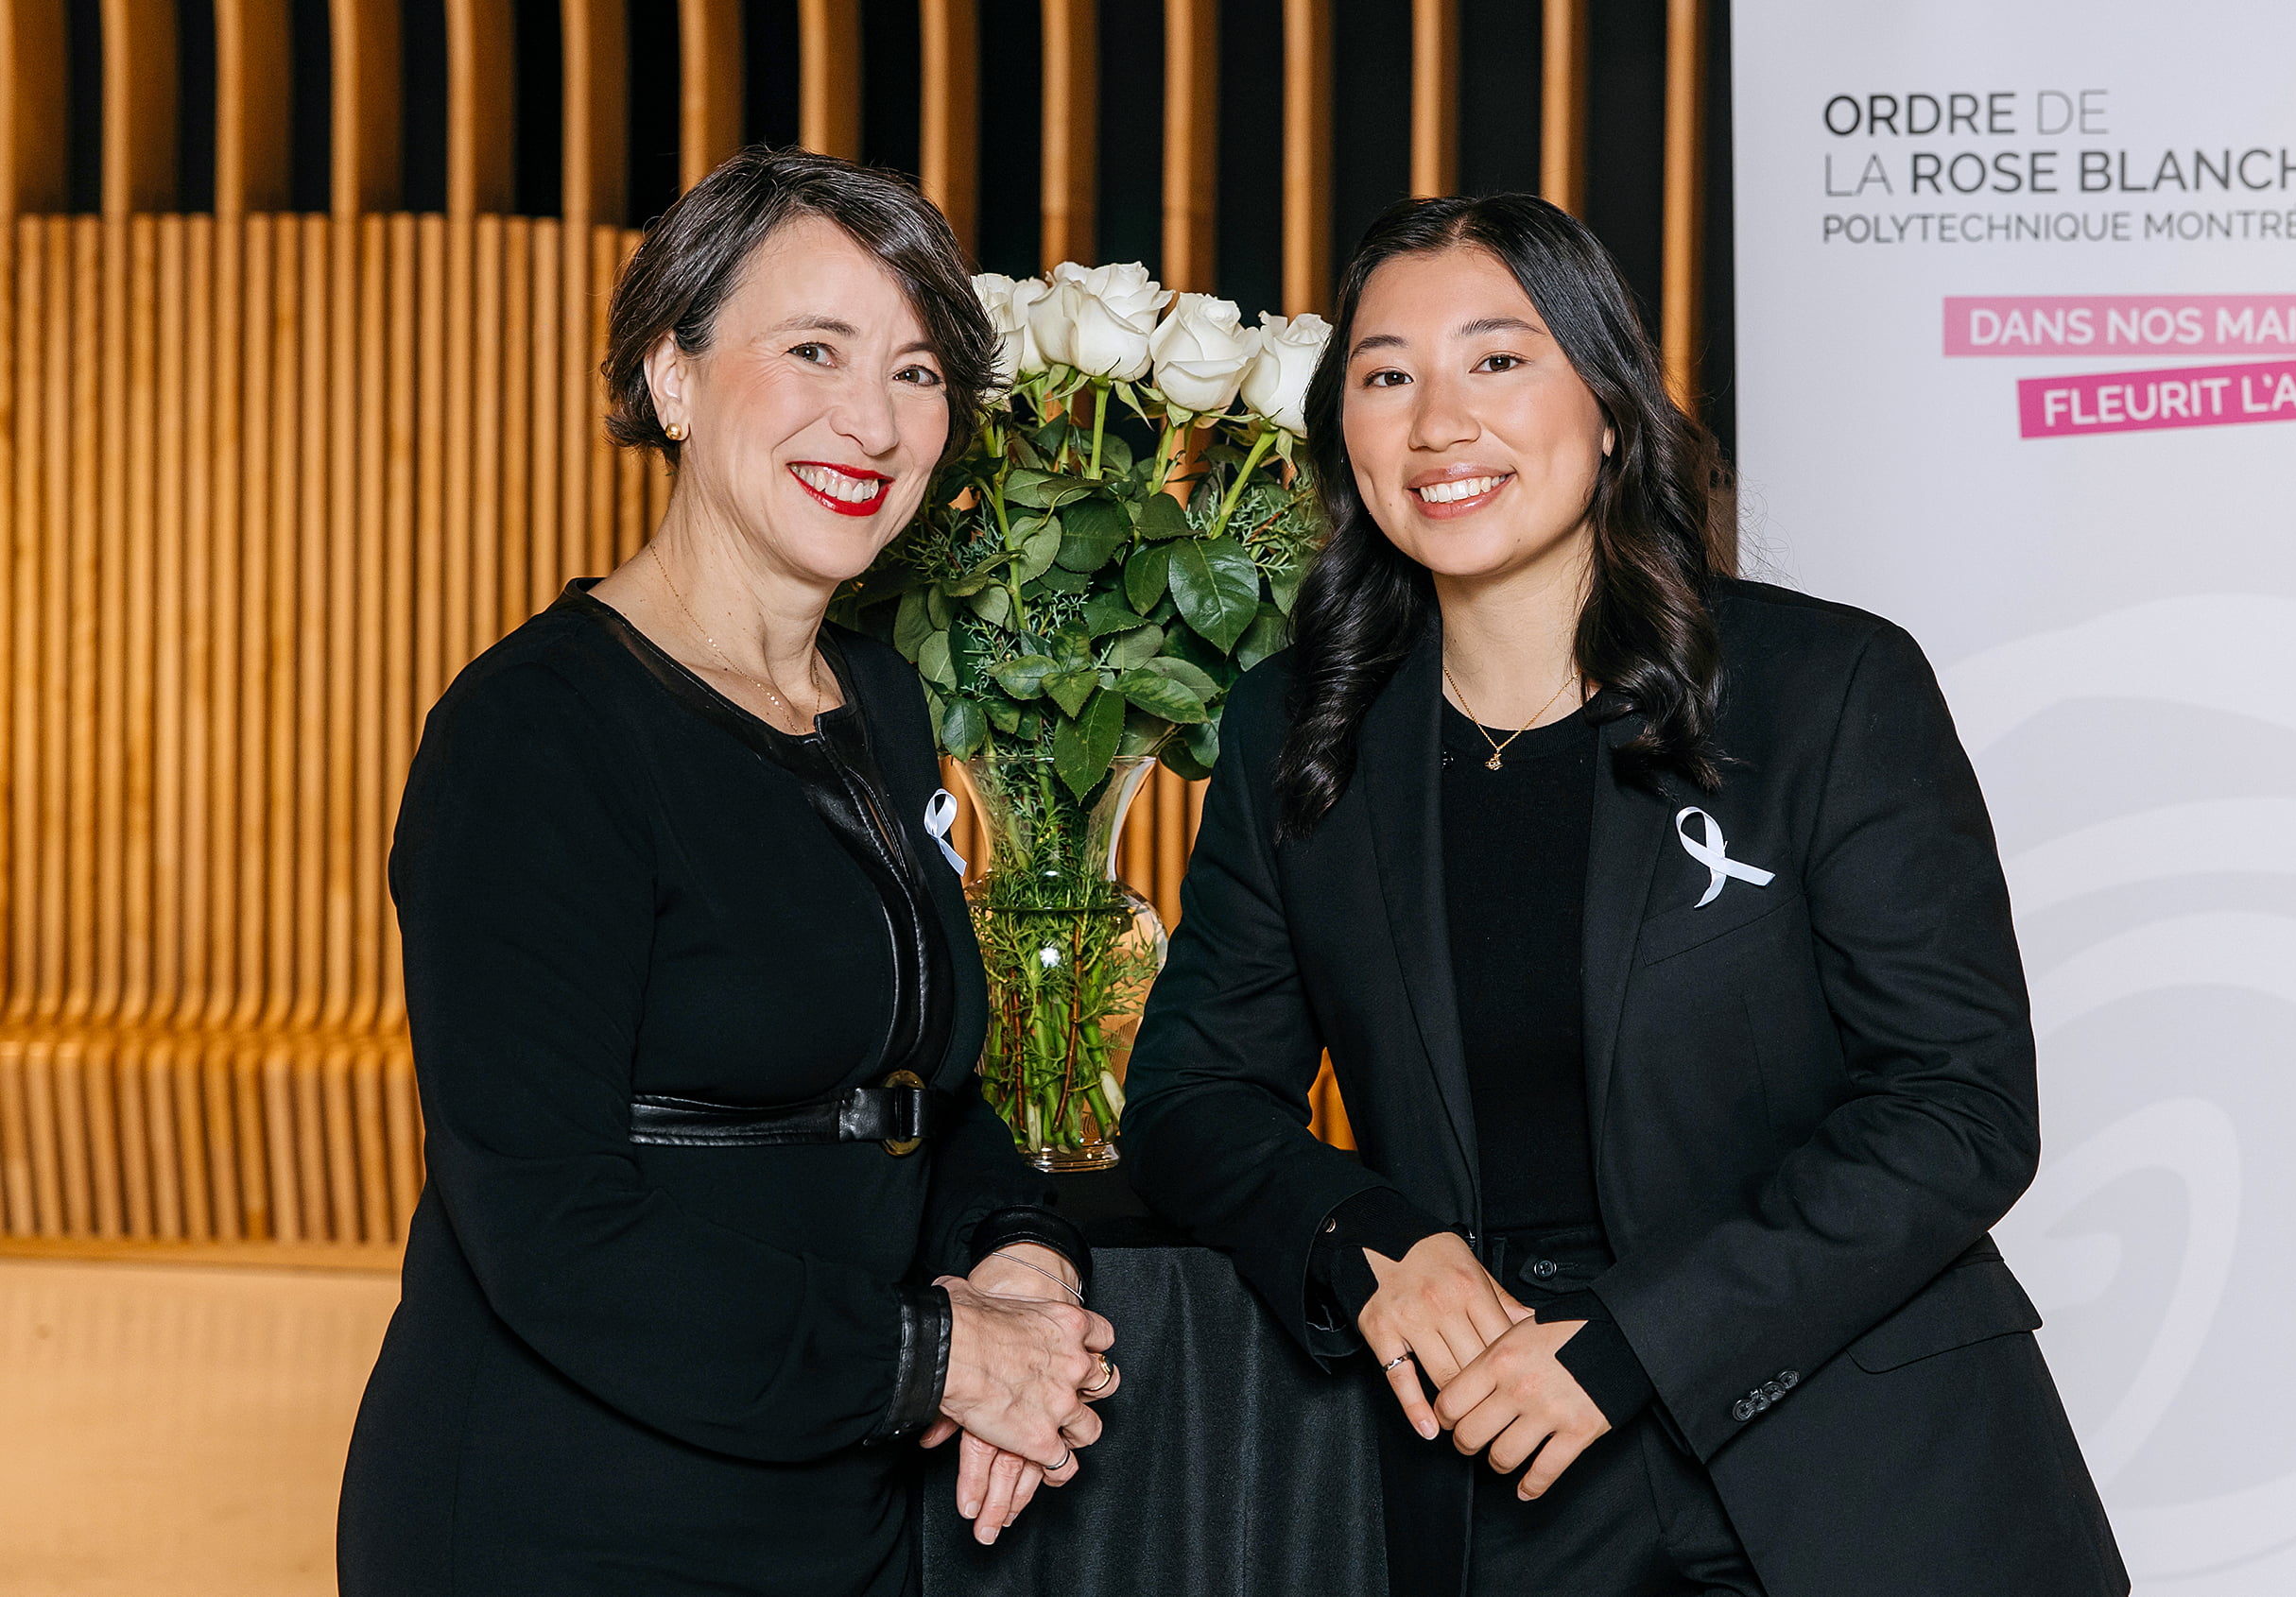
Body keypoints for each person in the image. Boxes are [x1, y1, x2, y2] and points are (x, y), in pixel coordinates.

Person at [1122, 194, 2128, 1597]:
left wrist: (1633, 1341)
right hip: (1509, 1476)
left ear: (1605, 400)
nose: (1438, 422)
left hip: (1867, 1457)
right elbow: (1192, 1092)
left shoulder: (1825, 689)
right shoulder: (1302, 731)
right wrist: (1366, 1235)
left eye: (1498, 360)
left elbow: (1959, 1107)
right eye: (1385, 374)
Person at [339, 147, 1120, 1596]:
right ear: (673, 378)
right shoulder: (537, 734)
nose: (873, 420)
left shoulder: (876, 701)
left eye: (918, 370)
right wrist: (938, 1353)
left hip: (838, 1503)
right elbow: (550, 1225)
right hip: (568, 1515)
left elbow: (914, 1092)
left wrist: (1018, 1254)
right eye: (812, 349)